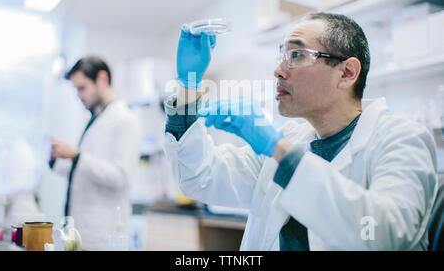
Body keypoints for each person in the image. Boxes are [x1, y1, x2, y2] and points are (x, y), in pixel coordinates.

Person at [163, 14, 438, 250]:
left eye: (296, 55)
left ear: (347, 73)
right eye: (281, 56)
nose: (278, 71)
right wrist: (189, 82)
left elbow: (385, 236)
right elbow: (199, 176)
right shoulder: (292, 139)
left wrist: (276, 147)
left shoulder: (402, 140)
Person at [49, 56, 142, 250]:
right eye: (75, 89)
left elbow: (120, 176)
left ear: (102, 79)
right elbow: (84, 173)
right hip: (81, 235)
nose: (78, 95)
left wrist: (77, 156)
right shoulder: (96, 119)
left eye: (82, 88)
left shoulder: (125, 120)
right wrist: (55, 160)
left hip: (103, 237)